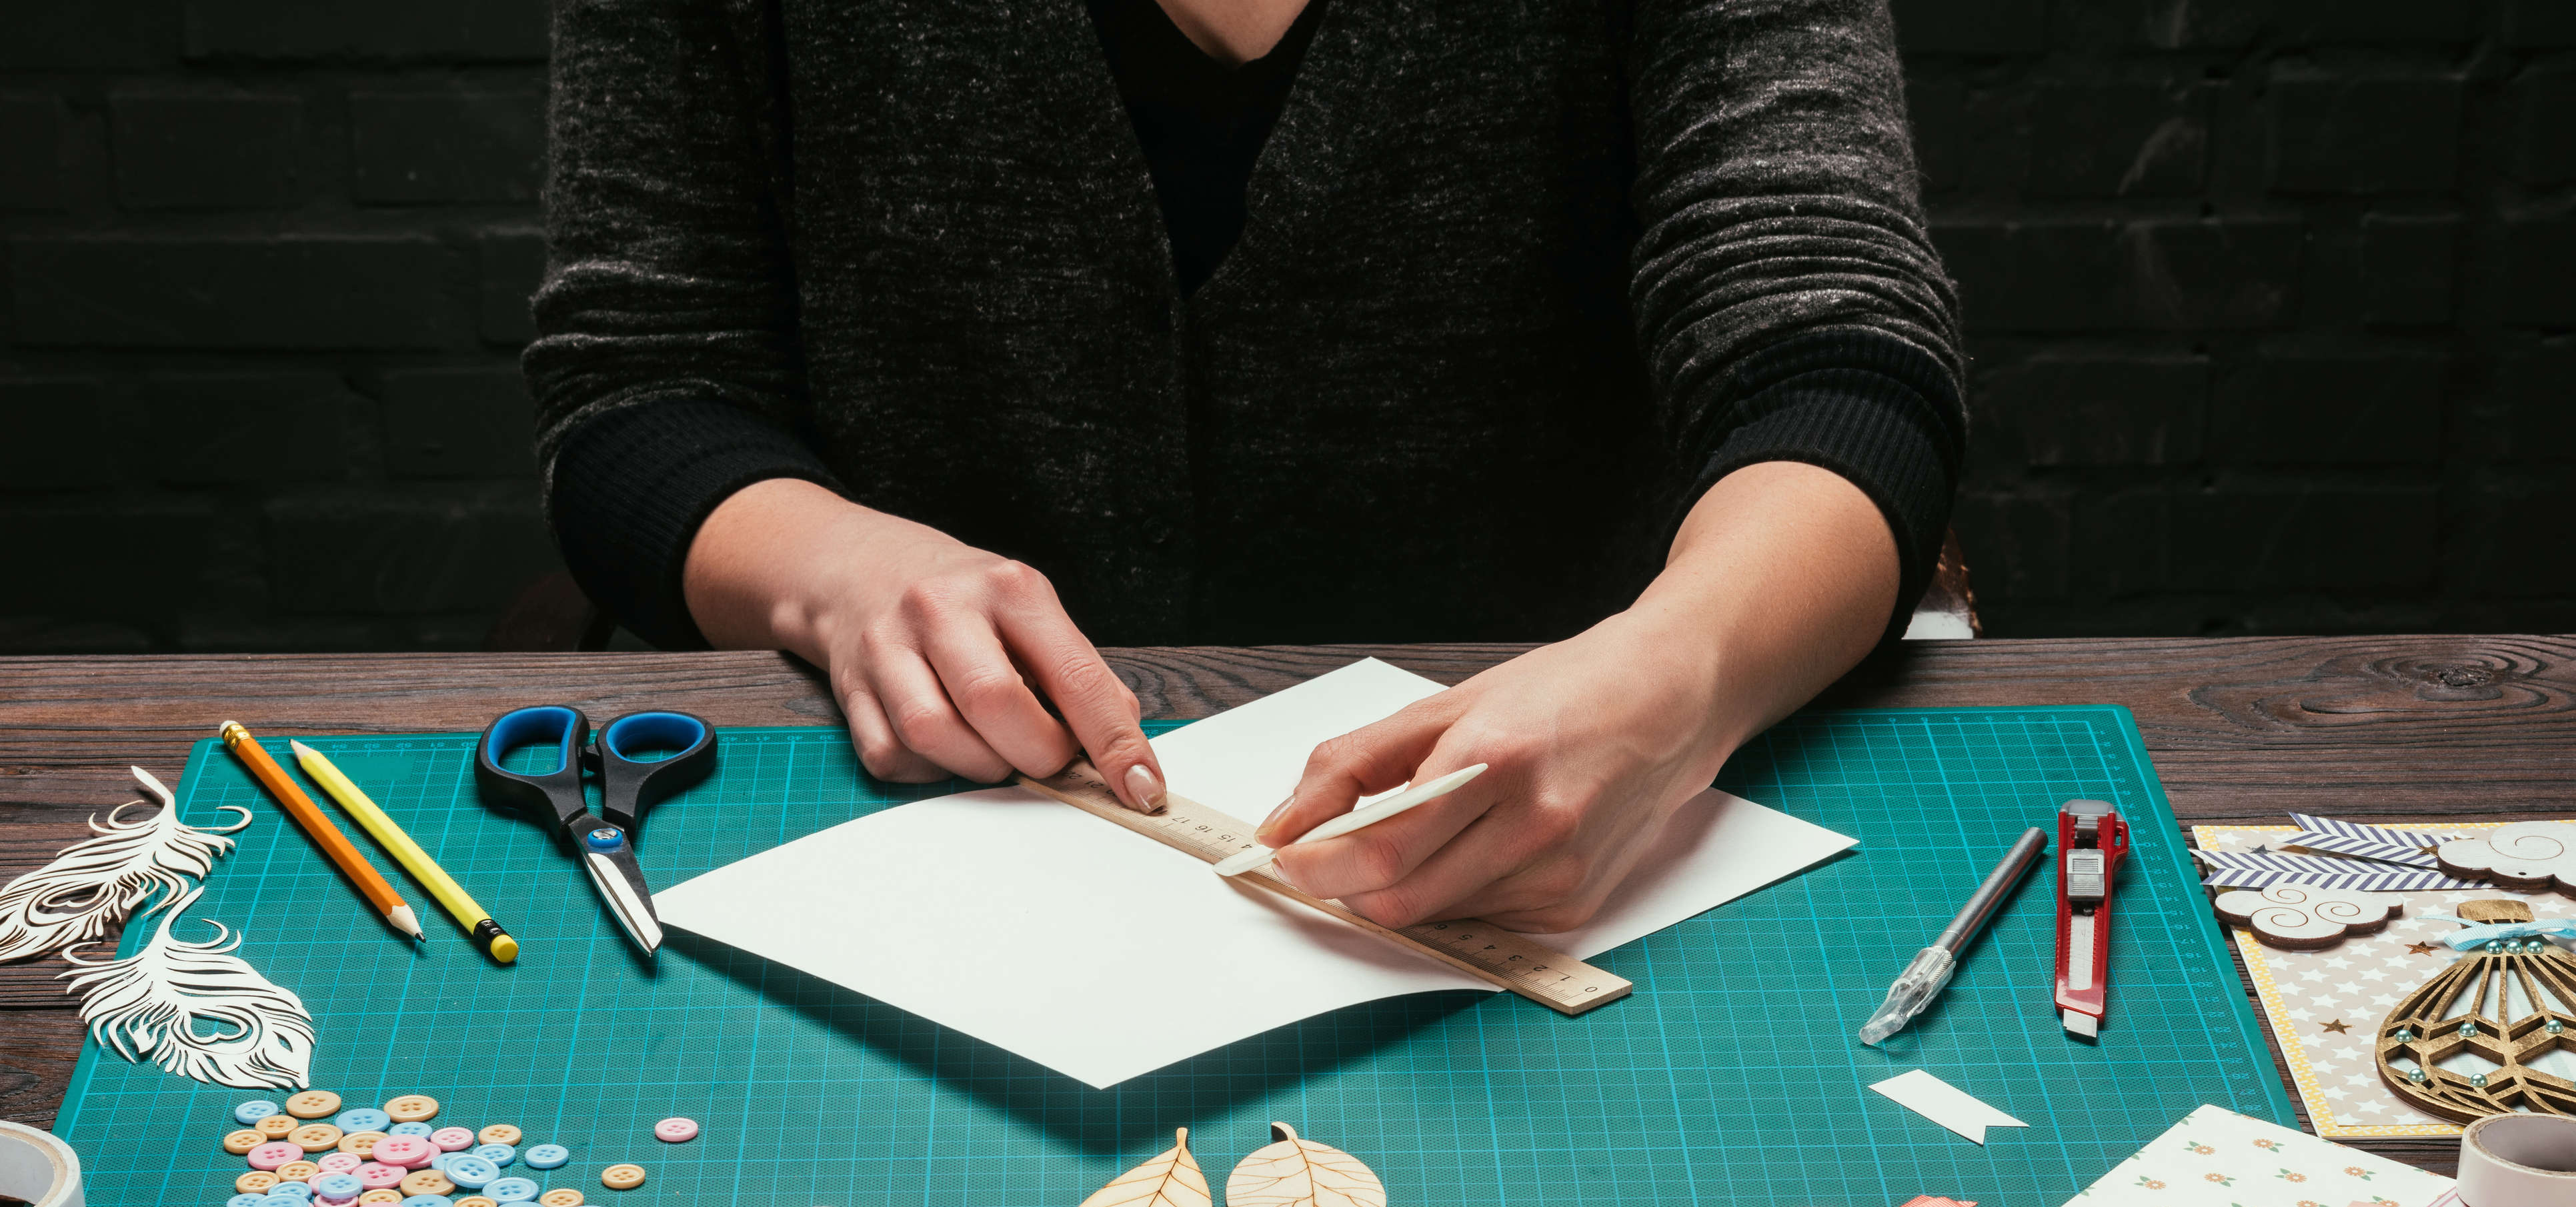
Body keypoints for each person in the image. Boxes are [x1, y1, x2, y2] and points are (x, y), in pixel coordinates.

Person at [527, 0, 1963, 935]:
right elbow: (643, 384)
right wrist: (837, 574)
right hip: (916, 821)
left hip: (1588, 809)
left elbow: (1833, 354)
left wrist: (1684, 674)